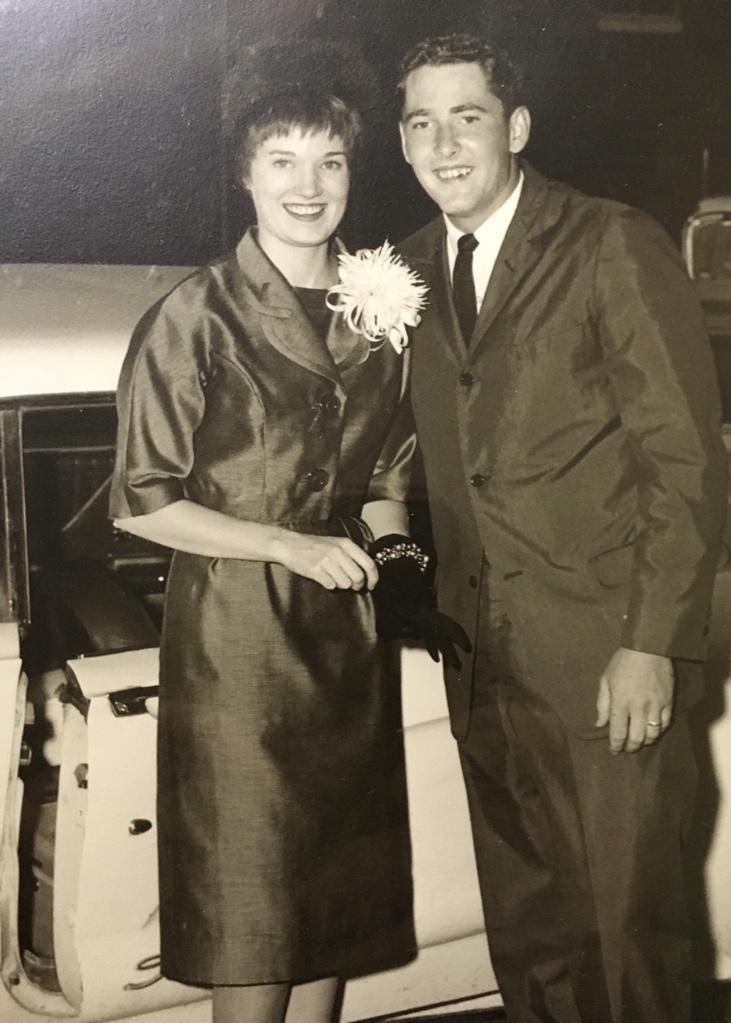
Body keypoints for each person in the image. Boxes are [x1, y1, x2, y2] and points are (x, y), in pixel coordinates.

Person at [108, 50, 458, 1023]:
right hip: (236, 642)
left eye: (329, 162)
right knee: (255, 903)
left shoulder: (379, 307)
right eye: (283, 162)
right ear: (245, 174)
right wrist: (287, 546)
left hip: (344, 641)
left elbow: (385, 478)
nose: (309, 186)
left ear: (352, 172)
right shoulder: (194, 315)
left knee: (329, 903)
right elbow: (140, 501)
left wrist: (395, 556)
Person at [396, 33, 729, 1023]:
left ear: (516, 128)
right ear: (401, 143)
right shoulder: (404, 269)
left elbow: (684, 460)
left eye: (467, 118)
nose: (443, 145)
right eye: (420, 123)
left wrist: (650, 642)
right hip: (478, 656)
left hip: (603, 652)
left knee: (627, 933)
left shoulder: (607, 242)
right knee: (530, 931)